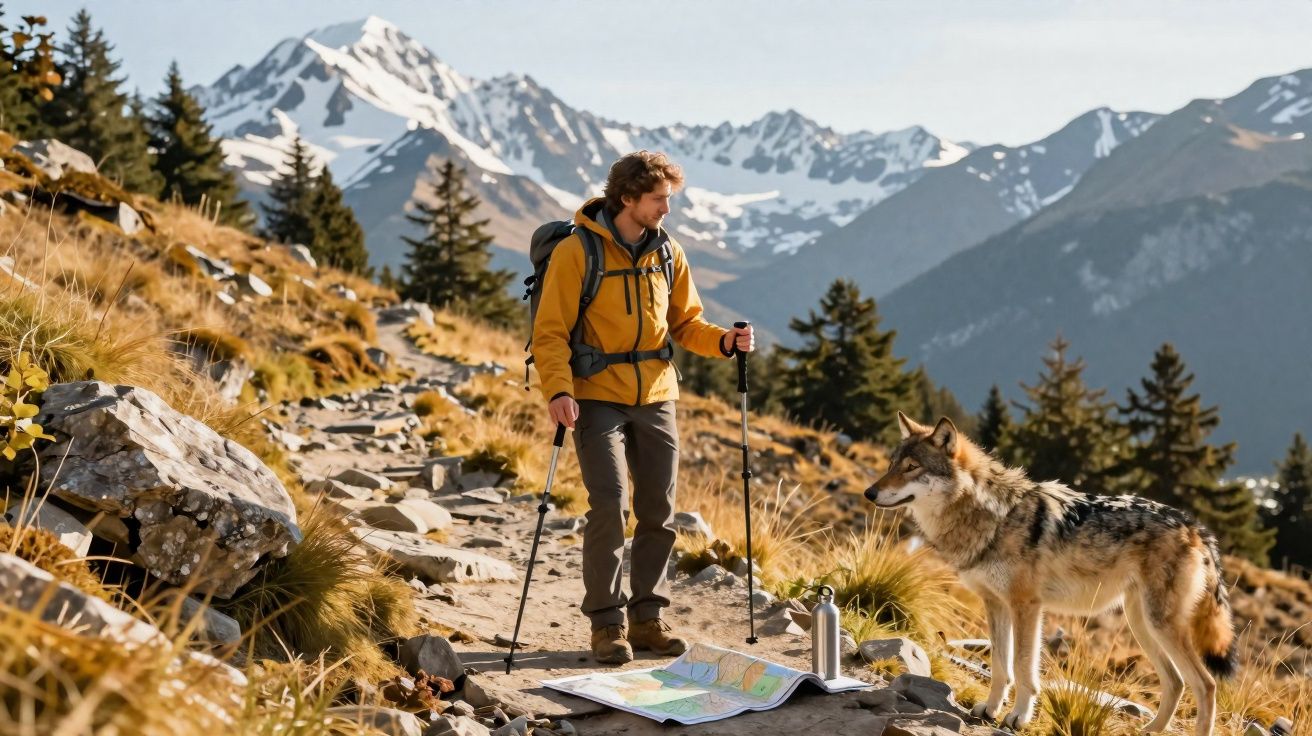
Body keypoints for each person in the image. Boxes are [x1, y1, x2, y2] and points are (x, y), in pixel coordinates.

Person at [531, 150, 754, 664]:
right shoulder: (578, 252)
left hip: (655, 394)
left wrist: (724, 342)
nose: (666, 210)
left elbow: (686, 323)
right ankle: (607, 626)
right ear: (628, 197)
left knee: (659, 510)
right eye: (659, 200)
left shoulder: (668, 253)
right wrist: (558, 391)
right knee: (608, 505)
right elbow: (550, 332)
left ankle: (648, 618)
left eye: (668, 200)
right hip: (594, 395)